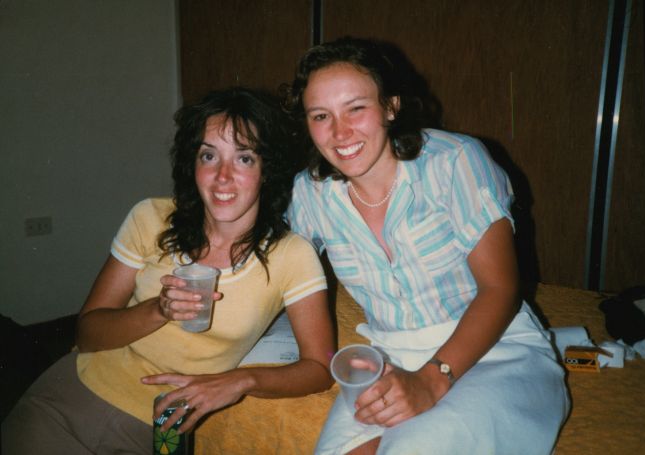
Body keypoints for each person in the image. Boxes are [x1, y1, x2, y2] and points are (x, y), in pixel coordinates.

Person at [2, 87, 335, 454]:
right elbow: (89, 332)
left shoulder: (292, 256)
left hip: (160, 425)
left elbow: (319, 367)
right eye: (209, 155)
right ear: (192, 164)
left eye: (244, 159)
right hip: (71, 399)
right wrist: (157, 310)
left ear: (267, 170)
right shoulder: (150, 218)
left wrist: (240, 380)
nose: (222, 176)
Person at [284, 36, 569, 455]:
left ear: (391, 106)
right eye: (321, 115)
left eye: (356, 108)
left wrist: (430, 381)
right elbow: (276, 271)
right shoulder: (309, 193)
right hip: (388, 355)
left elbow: (501, 290)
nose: (339, 132)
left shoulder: (456, 161)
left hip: (495, 348)